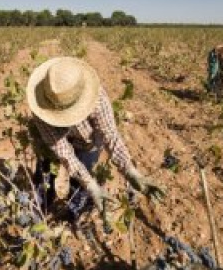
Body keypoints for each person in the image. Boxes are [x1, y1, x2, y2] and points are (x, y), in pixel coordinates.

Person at [26, 57, 166, 213]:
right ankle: (41, 207)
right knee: (43, 174)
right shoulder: (41, 108)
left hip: (87, 141)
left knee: (82, 181)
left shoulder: (97, 99)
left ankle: (74, 212)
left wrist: (129, 171)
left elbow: (110, 136)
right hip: (50, 140)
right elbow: (63, 151)